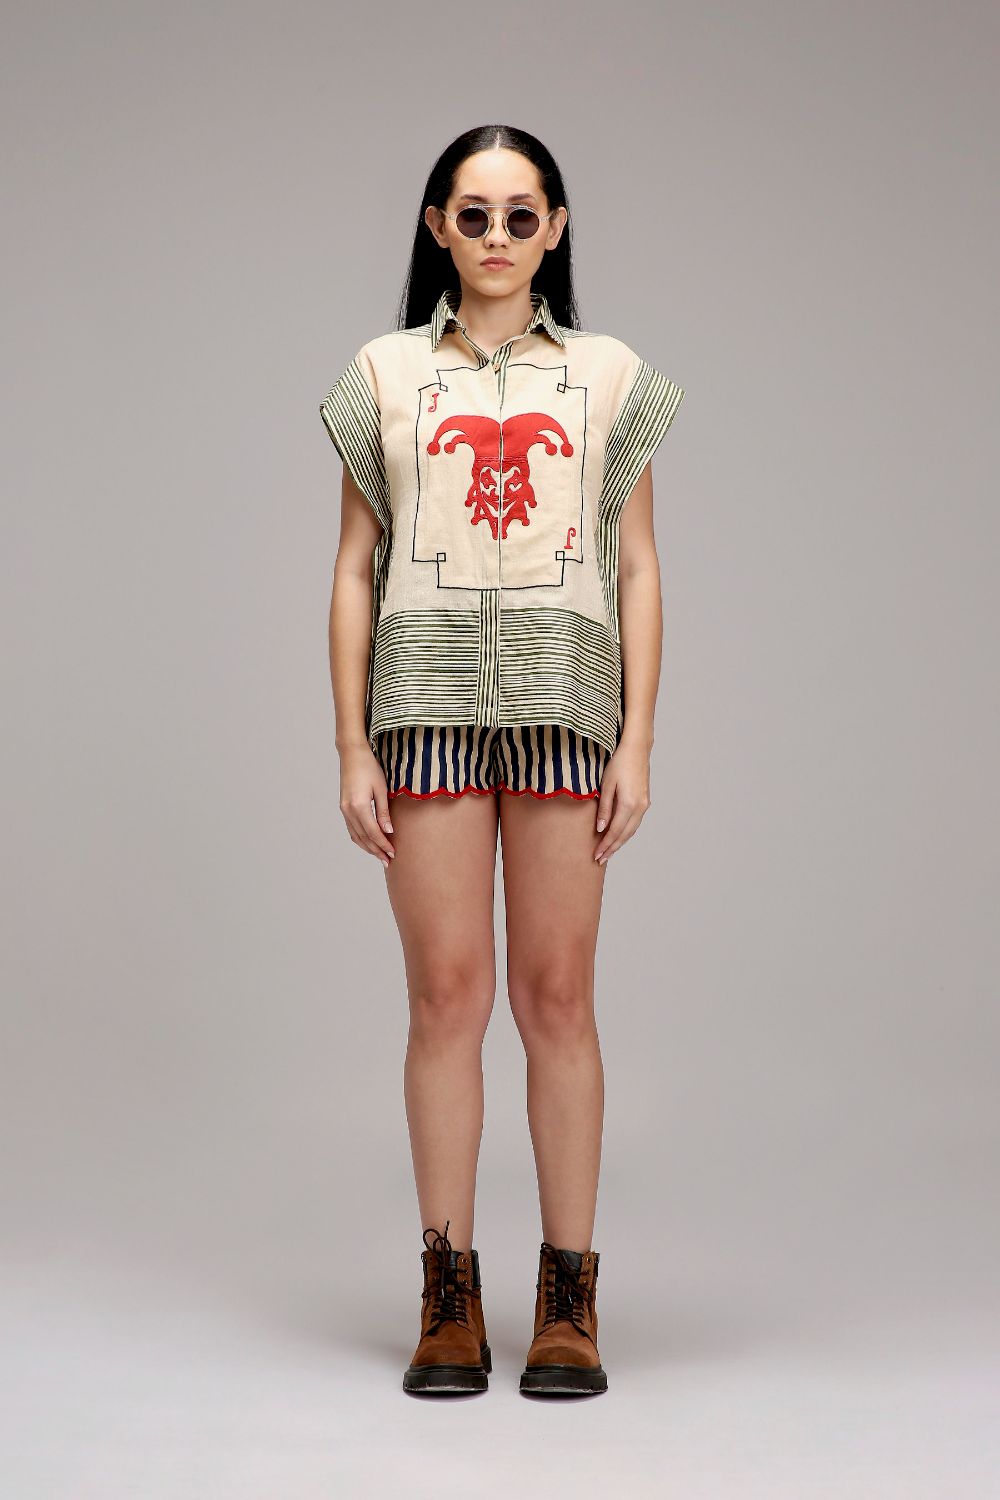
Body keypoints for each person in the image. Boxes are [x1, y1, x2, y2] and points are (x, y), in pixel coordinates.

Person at [319, 124, 685, 1398]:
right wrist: (351, 745)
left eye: (518, 216)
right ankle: (447, 1294)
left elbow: (637, 566)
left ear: (554, 228)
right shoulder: (382, 373)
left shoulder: (607, 375)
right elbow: (353, 569)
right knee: (444, 1000)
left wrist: (636, 741)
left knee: (557, 999)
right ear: (436, 227)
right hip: (421, 707)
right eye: (470, 215)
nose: (494, 238)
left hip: (563, 709)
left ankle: (569, 1297)